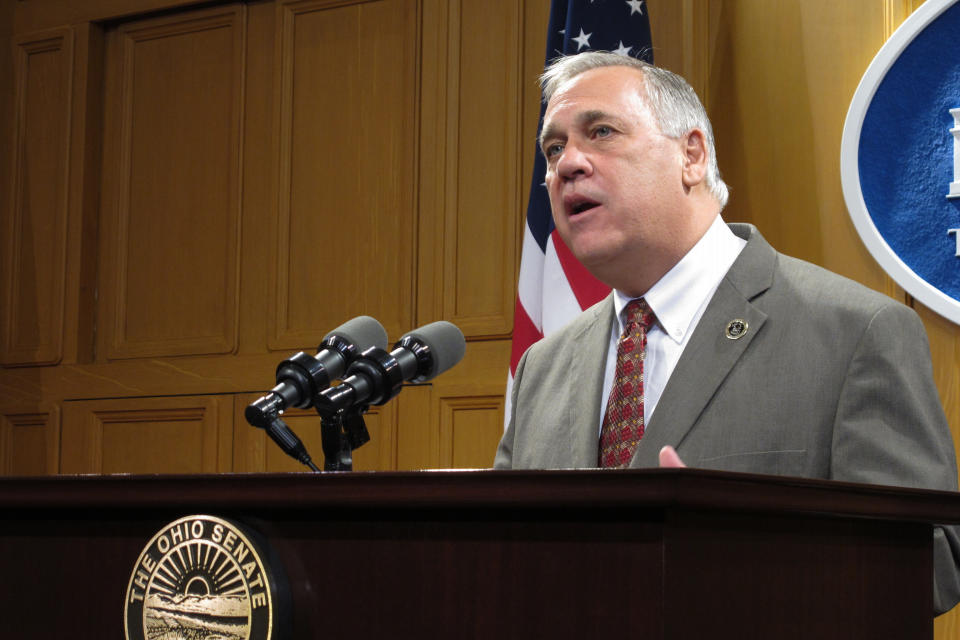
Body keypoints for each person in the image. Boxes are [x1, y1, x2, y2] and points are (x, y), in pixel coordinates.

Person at [494, 51, 960, 615]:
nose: (568, 163)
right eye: (553, 148)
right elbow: (499, 564)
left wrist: (738, 559)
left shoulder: (854, 332)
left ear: (691, 154)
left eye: (601, 132)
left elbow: (932, 564)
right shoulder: (543, 366)